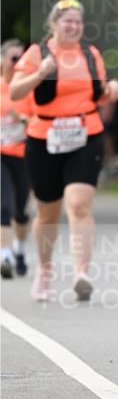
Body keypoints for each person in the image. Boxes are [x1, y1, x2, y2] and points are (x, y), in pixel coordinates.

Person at [10, 0, 118, 302]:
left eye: (78, 22)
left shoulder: (90, 54)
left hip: (85, 134)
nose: (73, 27)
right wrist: (40, 73)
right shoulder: (37, 53)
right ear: (54, 24)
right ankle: (45, 270)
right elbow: (15, 91)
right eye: (67, 21)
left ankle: (81, 273)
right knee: (48, 211)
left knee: (78, 204)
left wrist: (114, 90)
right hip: (43, 137)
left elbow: (101, 93)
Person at [1, 39, 31, 277]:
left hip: (24, 155)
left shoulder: (27, 89)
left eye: (22, 58)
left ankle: (19, 250)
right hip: (2, 155)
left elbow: (40, 122)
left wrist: (20, 118)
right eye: (13, 58)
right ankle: (5, 256)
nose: (17, 63)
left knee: (21, 210)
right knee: (4, 206)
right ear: (2, 60)